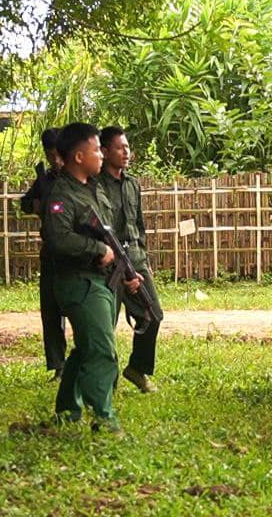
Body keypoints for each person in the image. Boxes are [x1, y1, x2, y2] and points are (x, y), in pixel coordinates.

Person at [44, 122, 125, 433]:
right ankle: (104, 420)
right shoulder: (62, 194)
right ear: (78, 156)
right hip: (79, 283)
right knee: (102, 352)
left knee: (83, 350)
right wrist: (96, 249)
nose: (102, 155)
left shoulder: (92, 188)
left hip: (99, 281)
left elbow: (110, 234)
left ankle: (66, 411)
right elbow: (59, 239)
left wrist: (124, 270)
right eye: (96, 150)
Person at [98, 126, 164, 393]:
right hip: (108, 266)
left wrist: (143, 260)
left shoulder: (132, 184)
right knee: (105, 326)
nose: (126, 152)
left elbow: (139, 225)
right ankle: (105, 383)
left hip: (135, 260)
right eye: (119, 148)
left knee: (153, 315)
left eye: (127, 147)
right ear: (104, 152)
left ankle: (137, 369)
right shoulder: (96, 185)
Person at [20, 127, 67, 376]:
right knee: (51, 313)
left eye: (59, 156)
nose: (56, 162)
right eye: (51, 157)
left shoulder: (79, 178)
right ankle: (58, 365)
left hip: (75, 257)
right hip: (51, 253)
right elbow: (25, 202)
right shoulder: (45, 179)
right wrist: (36, 205)